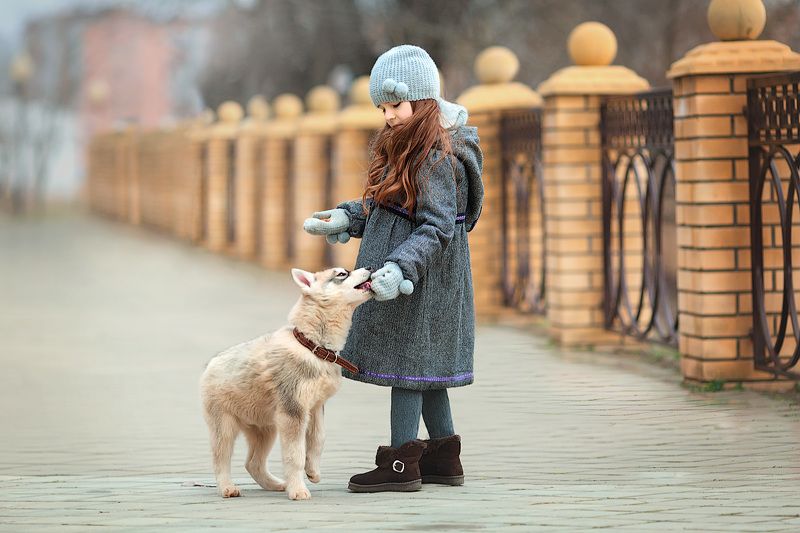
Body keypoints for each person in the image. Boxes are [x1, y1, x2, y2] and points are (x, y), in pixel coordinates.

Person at [303, 44, 484, 493]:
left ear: (422, 101)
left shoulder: (438, 156)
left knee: (408, 369)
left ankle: (401, 464)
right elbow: (387, 208)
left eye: (395, 105)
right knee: (425, 369)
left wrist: (400, 269)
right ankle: (444, 456)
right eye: (382, 107)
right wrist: (347, 217)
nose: (388, 115)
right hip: (406, 279)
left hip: (424, 281)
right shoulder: (406, 145)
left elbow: (437, 227)